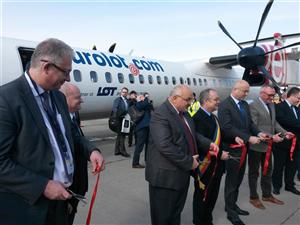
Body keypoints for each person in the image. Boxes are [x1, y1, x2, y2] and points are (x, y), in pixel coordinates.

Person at [0, 38, 105, 225]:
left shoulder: (57, 96)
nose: (69, 79)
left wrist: (91, 150)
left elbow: (71, 134)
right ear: (47, 67)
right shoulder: (6, 100)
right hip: (28, 207)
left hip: (61, 204)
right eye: (66, 72)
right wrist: (42, 186)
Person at [146, 85, 211, 225]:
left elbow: (192, 134)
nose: (190, 103)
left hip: (181, 174)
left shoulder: (184, 113)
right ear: (174, 98)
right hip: (165, 178)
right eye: (188, 99)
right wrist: (189, 162)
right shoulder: (160, 114)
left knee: (175, 214)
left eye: (192, 99)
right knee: (163, 218)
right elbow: (165, 146)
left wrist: (209, 143)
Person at [218, 80, 268, 225]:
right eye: (244, 91)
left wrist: (258, 133)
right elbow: (227, 128)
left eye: (247, 91)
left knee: (239, 179)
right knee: (232, 181)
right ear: (235, 89)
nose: (247, 94)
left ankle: (232, 205)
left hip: (244, 148)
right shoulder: (225, 105)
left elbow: (250, 124)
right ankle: (231, 212)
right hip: (233, 149)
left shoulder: (244, 104)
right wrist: (248, 138)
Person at [248, 85, 290, 210]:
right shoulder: (253, 105)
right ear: (262, 93)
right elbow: (254, 127)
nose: (272, 98)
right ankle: (253, 197)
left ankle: (267, 195)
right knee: (254, 173)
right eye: (270, 95)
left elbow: (274, 123)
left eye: (273, 95)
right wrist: (272, 137)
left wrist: (284, 132)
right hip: (257, 145)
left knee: (267, 171)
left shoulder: (271, 104)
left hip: (268, 146)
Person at [192, 88, 229, 225]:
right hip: (205, 166)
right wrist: (220, 154)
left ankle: (208, 219)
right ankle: (199, 221)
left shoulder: (213, 117)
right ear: (206, 101)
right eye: (216, 100)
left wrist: (236, 138)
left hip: (217, 166)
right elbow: (200, 142)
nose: (218, 102)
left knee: (212, 196)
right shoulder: (196, 118)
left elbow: (221, 137)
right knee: (202, 197)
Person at [59, 83, 88, 224]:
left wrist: (92, 151)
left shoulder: (74, 114)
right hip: (66, 192)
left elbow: (79, 139)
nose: (82, 100)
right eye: (78, 97)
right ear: (65, 99)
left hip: (78, 185)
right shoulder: (57, 119)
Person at [273, 87, 300, 195]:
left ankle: (290, 185)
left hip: (297, 143)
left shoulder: (297, 108)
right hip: (283, 143)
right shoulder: (279, 107)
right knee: (279, 166)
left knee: (292, 166)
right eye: (298, 98)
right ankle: (276, 186)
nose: (299, 100)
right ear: (292, 96)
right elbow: (285, 121)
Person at [132, 93, 152, 168]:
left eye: (142, 97)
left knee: (148, 145)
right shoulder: (137, 104)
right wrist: (146, 98)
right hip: (141, 128)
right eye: (140, 97)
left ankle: (147, 160)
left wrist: (147, 99)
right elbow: (145, 103)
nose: (142, 98)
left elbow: (150, 106)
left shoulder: (145, 104)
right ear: (137, 98)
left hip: (147, 127)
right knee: (139, 146)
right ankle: (135, 163)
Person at [112, 87, 130, 157]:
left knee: (120, 135)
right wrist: (121, 114)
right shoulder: (118, 100)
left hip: (125, 119)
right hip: (119, 119)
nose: (124, 93)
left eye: (125, 92)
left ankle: (117, 150)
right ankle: (123, 151)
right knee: (122, 135)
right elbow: (114, 109)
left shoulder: (127, 100)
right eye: (123, 92)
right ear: (121, 93)